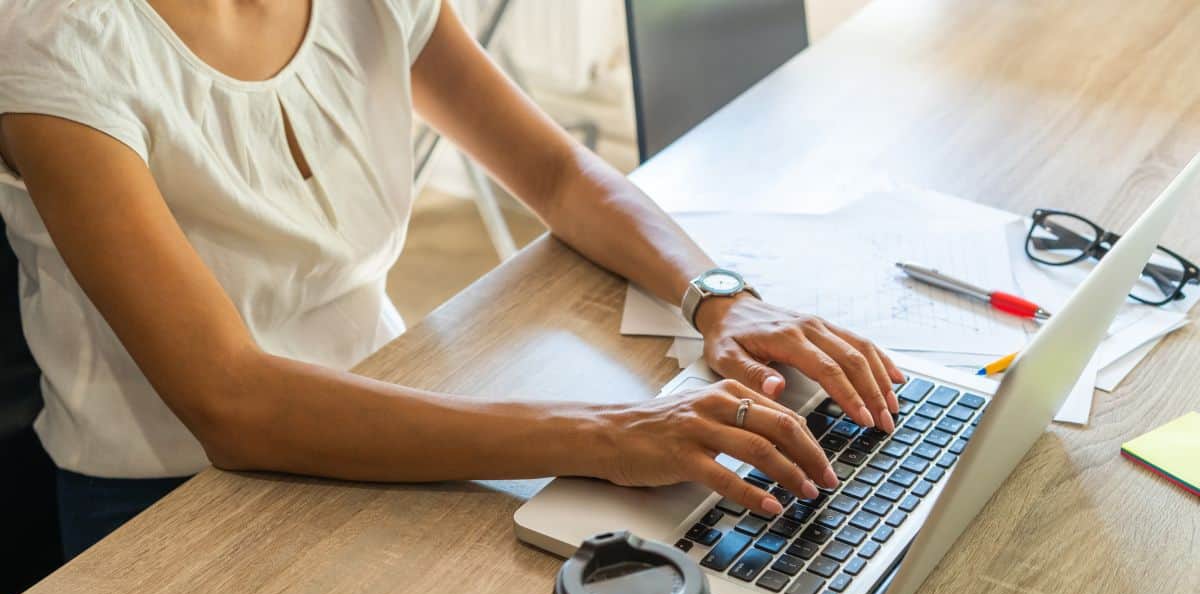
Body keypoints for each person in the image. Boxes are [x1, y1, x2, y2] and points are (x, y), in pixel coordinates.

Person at [0, 0, 903, 561]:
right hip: (171, 515)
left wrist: (718, 297)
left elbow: (555, 175)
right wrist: (610, 433)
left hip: (395, 421)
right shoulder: (55, 43)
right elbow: (231, 401)